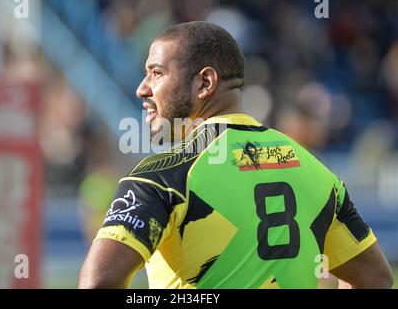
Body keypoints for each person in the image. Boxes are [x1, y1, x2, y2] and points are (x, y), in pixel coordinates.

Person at [78, 21, 393, 289]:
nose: (142, 89)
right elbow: (376, 279)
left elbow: (98, 283)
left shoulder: (163, 175)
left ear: (205, 82)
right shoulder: (314, 169)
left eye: (157, 73)